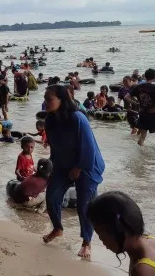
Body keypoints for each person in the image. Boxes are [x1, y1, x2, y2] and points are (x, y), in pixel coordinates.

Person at [42, 84, 105, 260]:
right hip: (63, 164)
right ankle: (57, 228)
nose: (45, 102)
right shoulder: (50, 120)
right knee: (52, 195)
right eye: (45, 99)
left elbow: (89, 147)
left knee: (84, 205)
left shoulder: (78, 118)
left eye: (49, 99)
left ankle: (86, 242)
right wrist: (53, 165)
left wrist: (79, 167)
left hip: (88, 165)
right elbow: (55, 146)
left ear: (62, 100)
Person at [87, 191, 155, 276]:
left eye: (100, 234)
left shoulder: (141, 270)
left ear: (118, 230)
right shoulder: (151, 241)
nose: (102, 241)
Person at [125, 69, 155, 147]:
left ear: (145, 76)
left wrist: (136, 103)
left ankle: (140, 154)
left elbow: (126, 97)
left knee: (142, 136)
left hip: (143, 113)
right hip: (153, 114)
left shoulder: (138, 87)